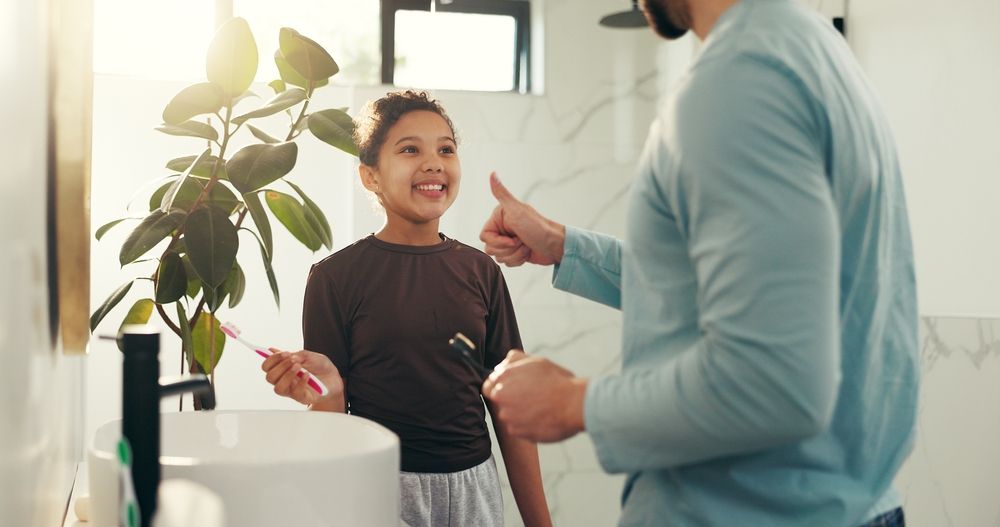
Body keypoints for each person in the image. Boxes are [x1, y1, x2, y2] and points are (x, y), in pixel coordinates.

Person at [479, 0, 918, 526]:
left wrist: (572, 402)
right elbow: (734, 287)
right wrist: (565, 246)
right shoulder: (815, 49)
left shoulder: (736, 85)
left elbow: (773, 382)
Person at [262, 90, 552, 527]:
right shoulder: (334, 277)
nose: (433, 162)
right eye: (410, 149)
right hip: (381, 488)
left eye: (446, 149)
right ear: (370, 176)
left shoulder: (481, 272)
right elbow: (331, 418)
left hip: (476, 487)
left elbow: (510, 407)